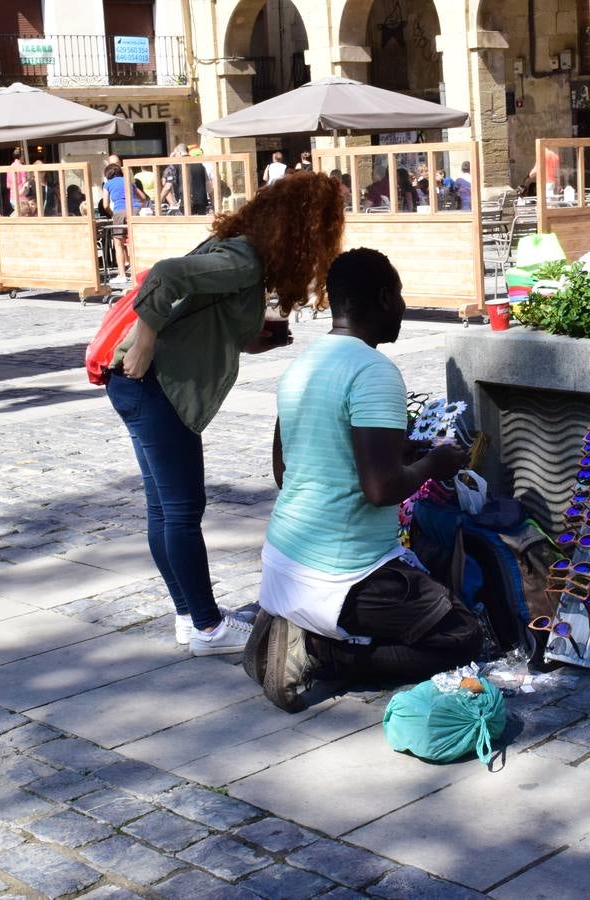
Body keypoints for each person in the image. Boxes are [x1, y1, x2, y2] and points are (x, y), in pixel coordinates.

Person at [107, 172, 345, 656]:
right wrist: (147, 341)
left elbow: (198, 312)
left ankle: (189, 616)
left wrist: (247, 339)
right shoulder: (242, 259)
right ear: (305, 228)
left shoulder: (236, 248)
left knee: (165, 509)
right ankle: (210, 629)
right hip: (155, 386)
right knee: (181, 510)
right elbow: (165, 275)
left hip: (140, 385)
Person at [254, 248, 483, 711]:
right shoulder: (374, 370)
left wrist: (397, 452)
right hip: (343, 570)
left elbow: (286, 470)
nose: (401, 306)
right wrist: (433, 465)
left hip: (284, 556)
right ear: (382, 298)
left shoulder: (304, 363)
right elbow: (380, 491)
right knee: (463, 633)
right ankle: (327, 652)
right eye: (398, 296)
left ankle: (299, 627)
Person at [102, 162, 134, 275]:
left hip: (119, 212)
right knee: (133, 242)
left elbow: (105, 204)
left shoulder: (108, 184)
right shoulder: (128, 181)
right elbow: (142, 197)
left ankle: (122, 275)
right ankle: (135, 270)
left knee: (118, 244)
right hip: (132, 211)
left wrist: (113, 215)